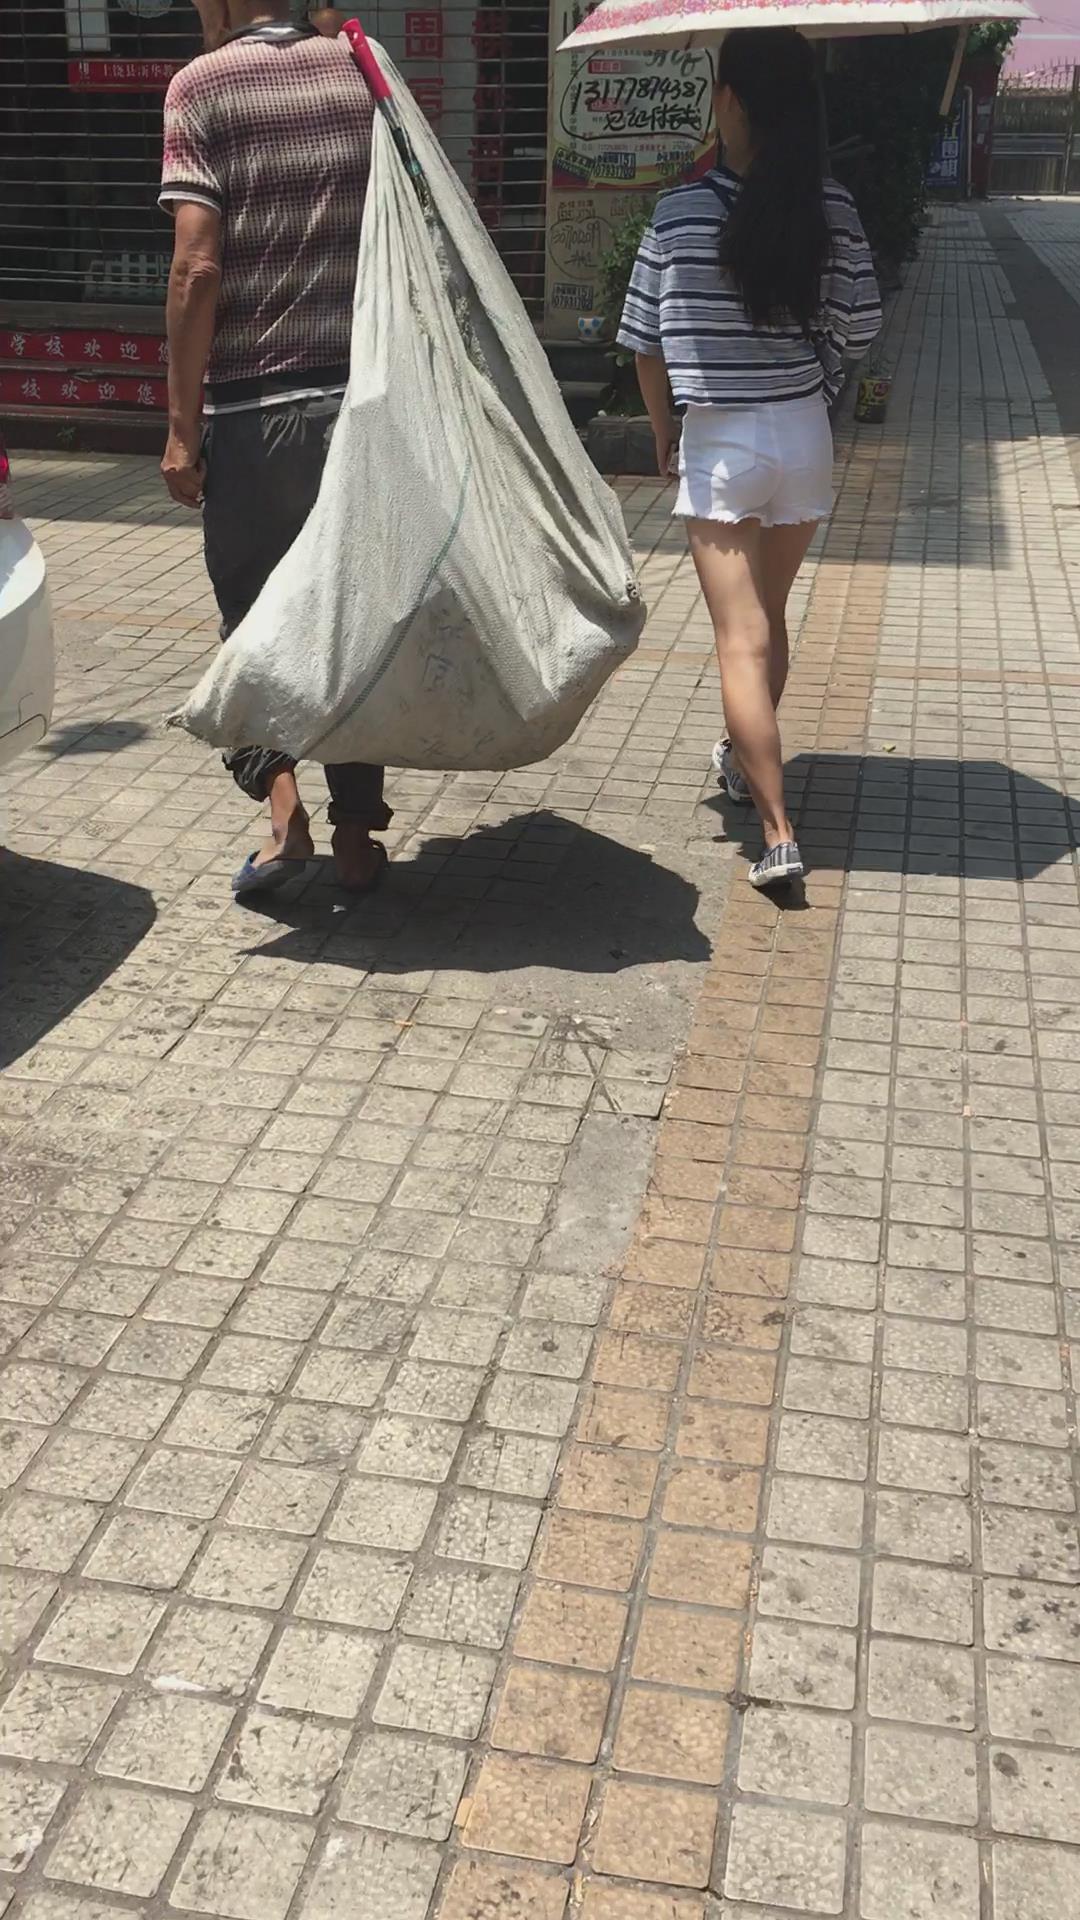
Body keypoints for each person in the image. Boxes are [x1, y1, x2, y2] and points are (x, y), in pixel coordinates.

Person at [618, 29, 881, 890]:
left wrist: (662, 430)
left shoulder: (678, 212)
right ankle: (743, 763)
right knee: (769, 617)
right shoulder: (830, 206)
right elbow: (858, 327)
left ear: (728, 99)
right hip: (802, 434)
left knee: (740, 639)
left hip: (721, 440)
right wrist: (819, 376)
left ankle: (777, 832)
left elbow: (645, 341)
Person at [159, 0, 392, 899]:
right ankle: (357, 837)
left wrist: (182, 427)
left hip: (255, 416)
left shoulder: (201, 88)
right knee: (353, 626)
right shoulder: (361, 70)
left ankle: (285, 813)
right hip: (361, 410)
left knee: (254, 628)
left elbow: (196, 266)